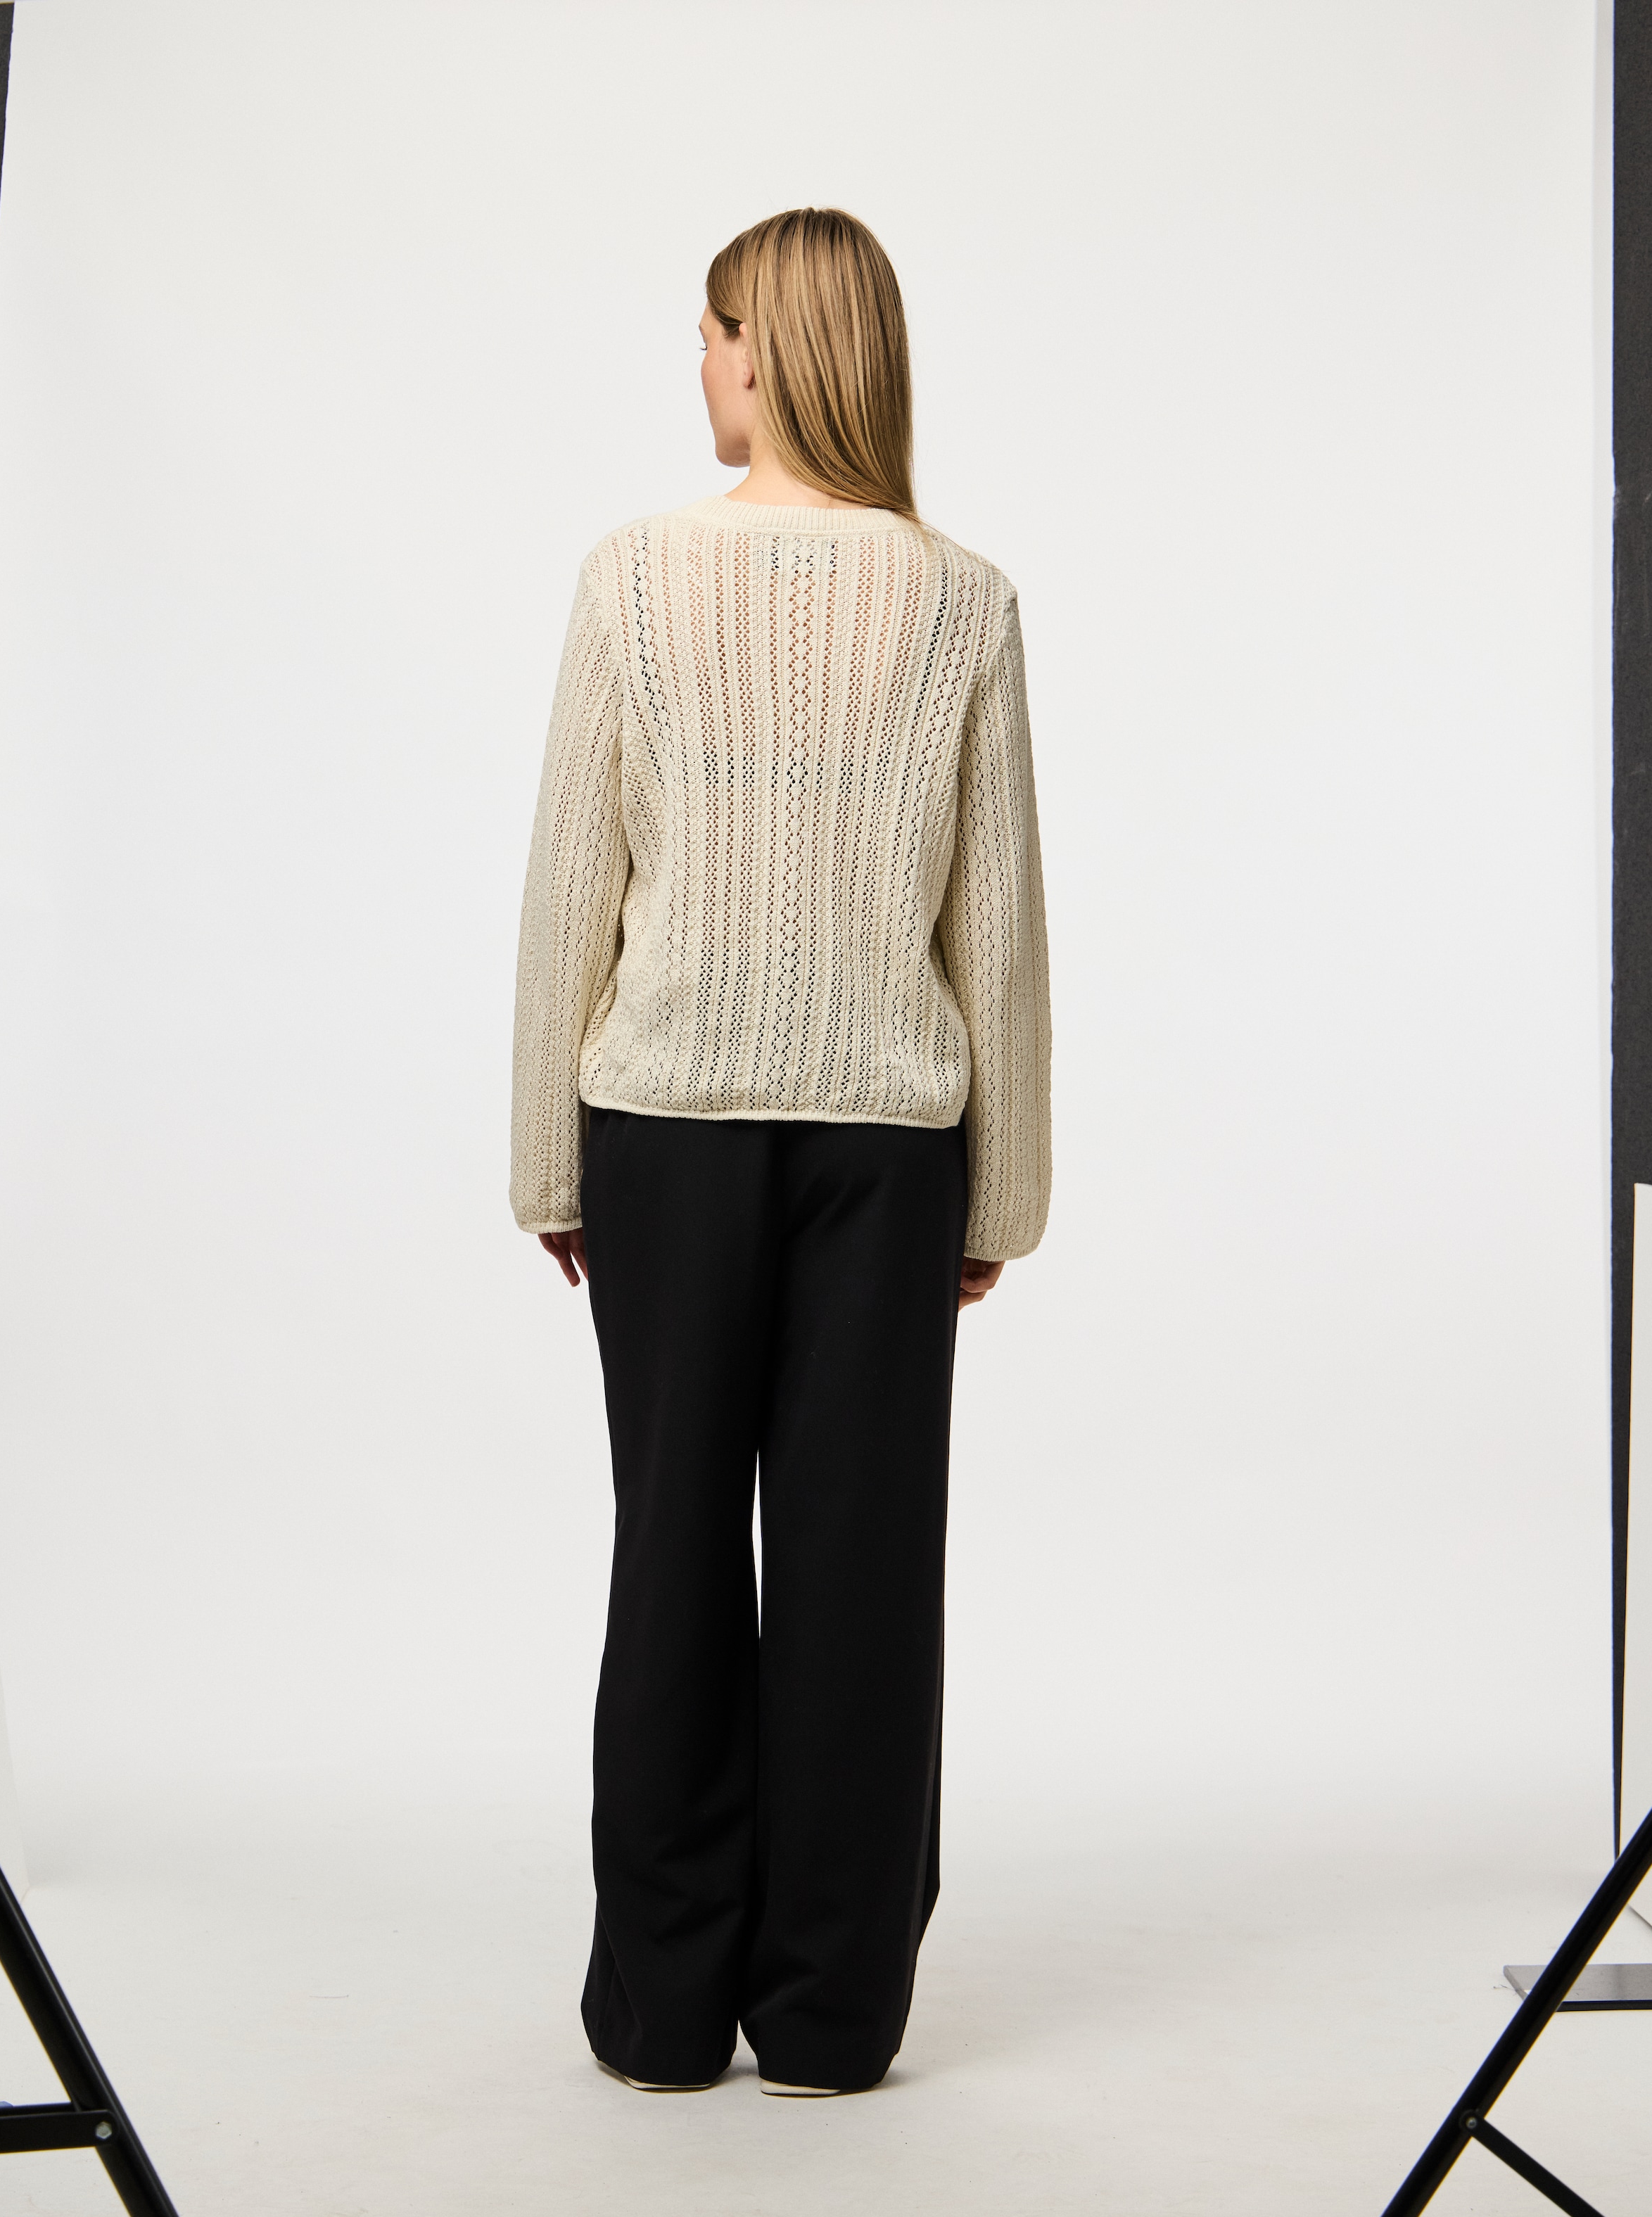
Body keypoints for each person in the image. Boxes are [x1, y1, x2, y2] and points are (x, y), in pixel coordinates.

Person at [510, 207, 1050, 2099]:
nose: (702, 360)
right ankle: (829, 2011)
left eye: (714, 329)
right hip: (885, 1155)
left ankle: (663, 2010)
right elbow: (998, 928)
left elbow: (571, 885)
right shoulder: (963, 597)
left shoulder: (635, 577)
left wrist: (549, 1162)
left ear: (770, 348)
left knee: (672, 1550)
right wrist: (1003, 1193)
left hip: (661, 1134)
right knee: (861, 1565)